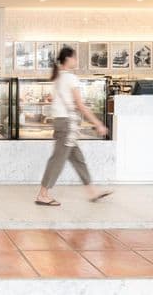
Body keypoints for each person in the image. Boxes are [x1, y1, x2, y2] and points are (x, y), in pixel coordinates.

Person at [36, 47, 112, 206]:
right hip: (67, 124)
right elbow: (80, 105)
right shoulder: (70, 78)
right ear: (68, 59)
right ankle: (43, 194)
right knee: (57, 159)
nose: (76, 60)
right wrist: (98, 123)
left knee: (78, 159)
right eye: (75, 57)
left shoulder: (58, 77)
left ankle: (92, 192)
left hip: (62, 122)